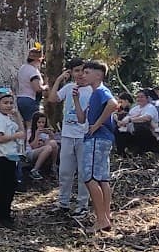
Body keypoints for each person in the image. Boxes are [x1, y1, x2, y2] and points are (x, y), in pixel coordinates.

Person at [47, 60, 91, 216]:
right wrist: (59, 80)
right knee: (65, 171)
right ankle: (63, 203)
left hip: (84, 136)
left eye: (83, 71)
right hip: (67, 134)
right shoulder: (68, 88)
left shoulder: (93, 90)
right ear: (71, 73)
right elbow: (52, 99)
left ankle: (82, 204)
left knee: (83, 172)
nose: (80, 74)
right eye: (76, 71)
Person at [82, 61, 118, 233]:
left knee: (90, 178)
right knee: (103, 178)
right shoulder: (95, 93)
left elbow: (113, 105)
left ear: (98, 75)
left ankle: (101, 219)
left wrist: (96, 125)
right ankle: (106, 215)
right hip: (104, 139)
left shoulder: (101, 91)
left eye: (87, 72)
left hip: (97, 139)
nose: (84, 75)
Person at [0, 89, 24, 225]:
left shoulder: (8, 119)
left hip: (12, 156)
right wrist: (15, 136)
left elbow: (22, 131)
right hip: (4, 156)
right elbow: (0, 138)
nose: (8, 105)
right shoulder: (0, 120)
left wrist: (17, 115)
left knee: (11, 185)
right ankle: (0, 215)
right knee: (4, 187)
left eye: (10, 103)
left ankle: (5, 212)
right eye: (5, 103)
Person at [117, 89, 159, 154]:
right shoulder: (134, 109)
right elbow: (127, 118)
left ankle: (143, 152)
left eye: (142, 97)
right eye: (138, 97)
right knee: (118, 131)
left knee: (140, 125)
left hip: (148, 134)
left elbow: (147, 118)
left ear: (147, 98)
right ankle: (122, 153)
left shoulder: (150, 107)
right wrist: (122, 123)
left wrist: (131, 120)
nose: (139, 99)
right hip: (132, 133)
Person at [14, 43, 45, 130]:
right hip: (30, 99)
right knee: (31, 126)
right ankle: (29, 142)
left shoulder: (23, 68)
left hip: (21, 98)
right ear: (38, 60)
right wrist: (45, 87)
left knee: (24, 124)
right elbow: (37, 88)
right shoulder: (33, 71)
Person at [26, 114, 58, 178]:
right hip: (30, 153)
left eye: (43, 122)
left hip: (43, 152)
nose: (41, 124)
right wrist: (37, 135)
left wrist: (51, 134)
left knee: (53, 143)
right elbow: (33, 146)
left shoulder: (45, 133)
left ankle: (54, 166)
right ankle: (35, 170)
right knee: (48, 148)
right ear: (35, 122)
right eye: (39, 122)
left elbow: (51, 145)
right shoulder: (30, 131)